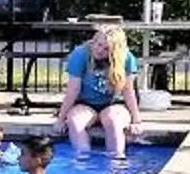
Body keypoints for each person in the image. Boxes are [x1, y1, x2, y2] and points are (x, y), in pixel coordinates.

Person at [57, 20, 145, 161]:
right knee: (75, 122)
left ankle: (117, 161)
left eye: (106, 49)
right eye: (98, 45)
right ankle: (82, 160)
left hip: (114, 104)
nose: (100, 50)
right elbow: (73, 89)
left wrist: (136, 120)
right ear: (93, 41)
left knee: (113, 121)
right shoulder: (80, 54)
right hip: (85, 103)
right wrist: (61, 119)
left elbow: (128, 91)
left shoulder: (127, 58)